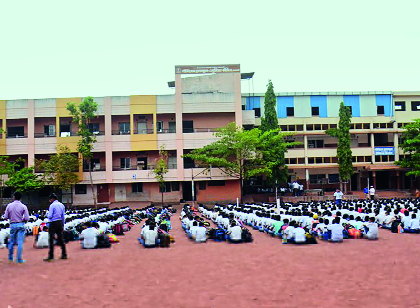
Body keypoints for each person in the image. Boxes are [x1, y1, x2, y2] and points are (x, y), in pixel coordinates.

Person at [4, 192, 29, 263]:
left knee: (11, 241)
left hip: (12, 224)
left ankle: (10, 257)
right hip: (20, 224)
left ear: (14, 197)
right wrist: (22, 219)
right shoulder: (23, 206)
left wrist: (11, 217)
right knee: (20, 242)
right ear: (21, 198)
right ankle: (19, 259)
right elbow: (27, 218)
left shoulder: (9, 206)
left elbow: (5, 216)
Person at [44, 193, 67, 261]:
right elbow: (63, 216)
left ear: (52, 199)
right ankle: (64, 254)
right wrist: (62, 224)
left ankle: (51, 256)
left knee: (51, 239)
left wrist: (47, 213)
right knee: (60, 238)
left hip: (53, 222)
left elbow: (50, 216)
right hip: (60, 222)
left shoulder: (52, 205)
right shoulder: (61, 205)